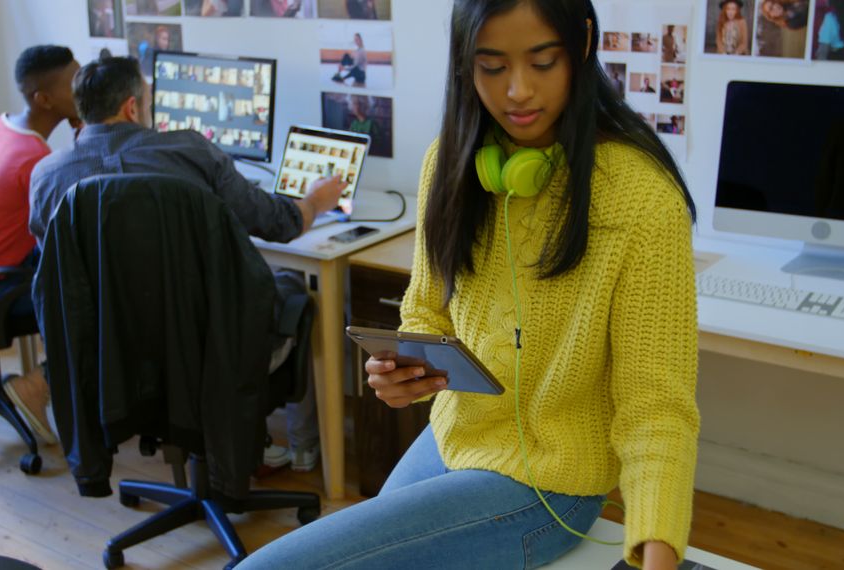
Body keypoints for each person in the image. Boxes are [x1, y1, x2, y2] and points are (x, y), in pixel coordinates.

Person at [237, 0, 699, 568]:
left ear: (580, 47)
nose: (518, 91)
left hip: (548, 487)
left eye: (542, 61)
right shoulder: (450, 164)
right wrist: (407, 368)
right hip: (454, 437)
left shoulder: (642, 199)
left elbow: (657, 408)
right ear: (465, 66)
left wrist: (658, 555)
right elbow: (427, 310)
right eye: (492, 66)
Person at [28, 56, 346, 471]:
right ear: (131, 107)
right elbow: (278, 223)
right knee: (295, 290)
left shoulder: (47, 176)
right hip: (205, 348)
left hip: (111, 356)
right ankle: (304, 451)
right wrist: (315, 202)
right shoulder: (191, 151)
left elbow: (61, 278)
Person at [0, 45, 81, 446]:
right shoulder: (34, 160)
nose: (84, 87)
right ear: (44, 99)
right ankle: (37, 386)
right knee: (95, 301)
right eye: (75, 83)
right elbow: (68, 239)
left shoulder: (1, 126)